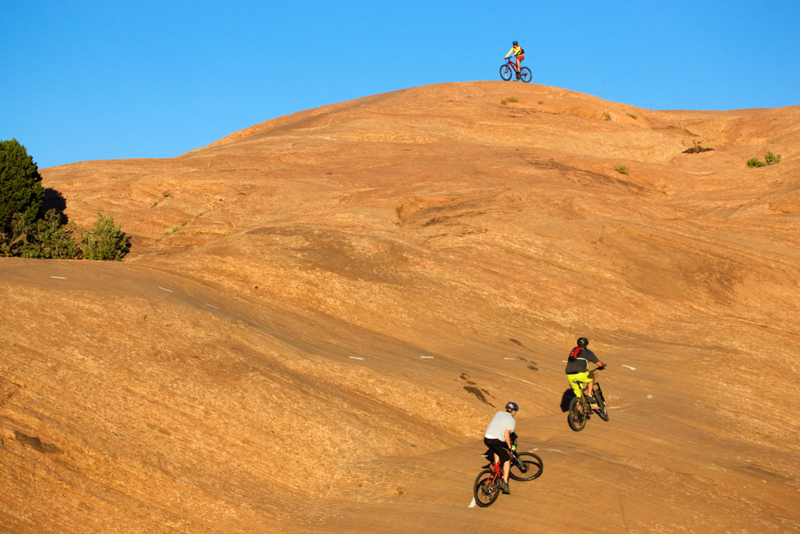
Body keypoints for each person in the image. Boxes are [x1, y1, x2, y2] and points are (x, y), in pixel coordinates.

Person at [483, 401, 519, 494]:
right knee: (506, 459)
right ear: (514, 411)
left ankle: (496, 467)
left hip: (487, 438)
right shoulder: (512, 420)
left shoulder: (498, 413)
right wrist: (510, 447)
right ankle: (505, 483)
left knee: (497, 449)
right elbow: (506, 434)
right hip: (496, 439)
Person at [565, 337, 605, 404]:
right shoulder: (587, 352)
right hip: (580, 373)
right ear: (587, 345)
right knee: (591, 377)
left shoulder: (574, 351)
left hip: (569, 375)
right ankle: (589, 395)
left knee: (579, 397)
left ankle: (578, 411)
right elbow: (599, 364)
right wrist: (603, 365)